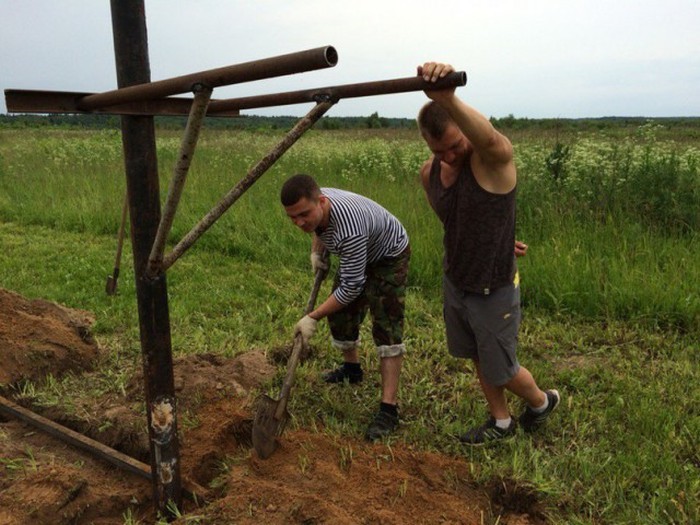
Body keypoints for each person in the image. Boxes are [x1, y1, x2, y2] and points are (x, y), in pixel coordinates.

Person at [417, 61, 560, 445]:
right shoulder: (428, 173)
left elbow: (495, 142)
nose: (449, 155)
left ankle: (542, 402)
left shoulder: (491, 162)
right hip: (457, 280)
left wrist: (448, 98)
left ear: (465, 130)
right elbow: (454, 219)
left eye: (455, 144)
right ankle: (501, 422)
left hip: (492, 285)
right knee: (478, 357)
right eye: (439, 150)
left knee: (502, 367)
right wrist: (497, 236)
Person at [280, 174, 411, 441]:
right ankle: (352, 370)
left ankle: (388, 410)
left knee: (386, 327)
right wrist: (318, 250)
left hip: (388, 255)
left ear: (322, 201)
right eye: (292, 217)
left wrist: (312, 317)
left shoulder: (349, 230)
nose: (299, 222)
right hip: (362, 248)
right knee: (340, 315)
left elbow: (351, 288)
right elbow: (318, 228)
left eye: (303, 214)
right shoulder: (317, 201)